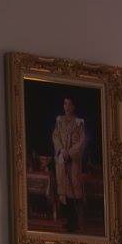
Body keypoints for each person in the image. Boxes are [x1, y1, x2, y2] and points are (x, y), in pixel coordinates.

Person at [51, 96, 87, 232]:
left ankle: (75, 222)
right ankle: (67, 220)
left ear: (74, 106)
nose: (67, 107)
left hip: (73, 161)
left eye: (69, 104)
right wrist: (61, 150)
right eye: (65, 103)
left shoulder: (78, 123)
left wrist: (70, 153)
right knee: (63, 189)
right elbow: (55, 136)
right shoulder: (59, 121)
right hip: (62, 159)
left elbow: (81, 142)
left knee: (73, 189)